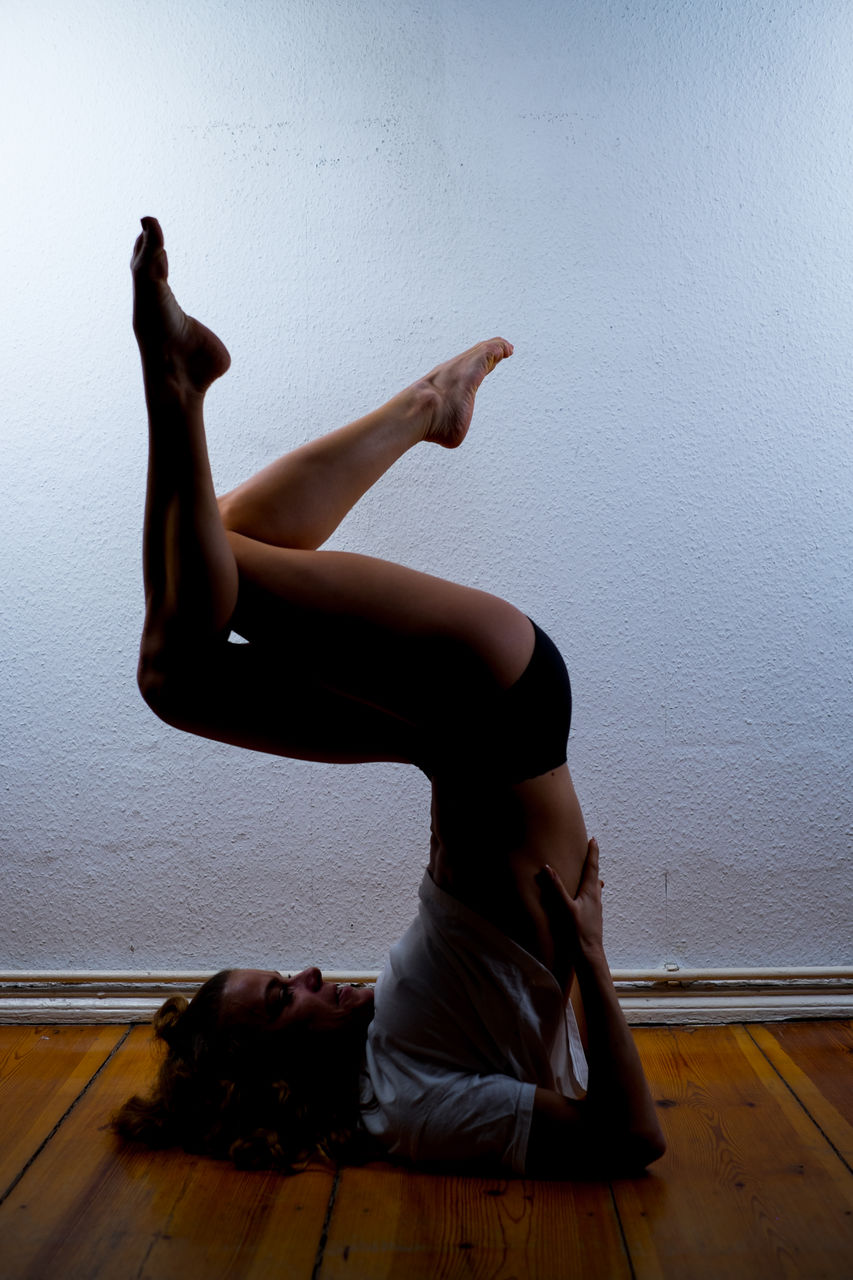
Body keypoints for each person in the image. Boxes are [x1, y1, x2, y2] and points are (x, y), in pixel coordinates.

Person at [113, 217, 666, 1178]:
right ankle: (185, 391)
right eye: (283, 1002)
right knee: (211, 589)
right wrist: (593, 965)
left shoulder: (383, 1062)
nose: (311, 976)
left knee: (179, 663)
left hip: (455, 729)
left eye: (278, 978)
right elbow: (628, 1141)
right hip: (494, 703)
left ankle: (415, 406)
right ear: (270, 1079)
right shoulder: (408, 1110)